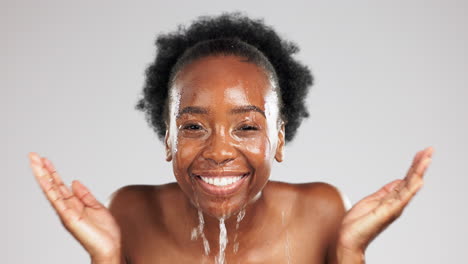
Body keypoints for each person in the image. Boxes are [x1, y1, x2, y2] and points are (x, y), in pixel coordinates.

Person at [29, 12, 434, 264]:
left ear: (278, 138)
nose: (220, 151)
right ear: (168, 137)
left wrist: (350, 252)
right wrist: (105, 257)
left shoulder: (323, 214)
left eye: (246, 126)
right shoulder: (129, 213)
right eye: (193, 127)